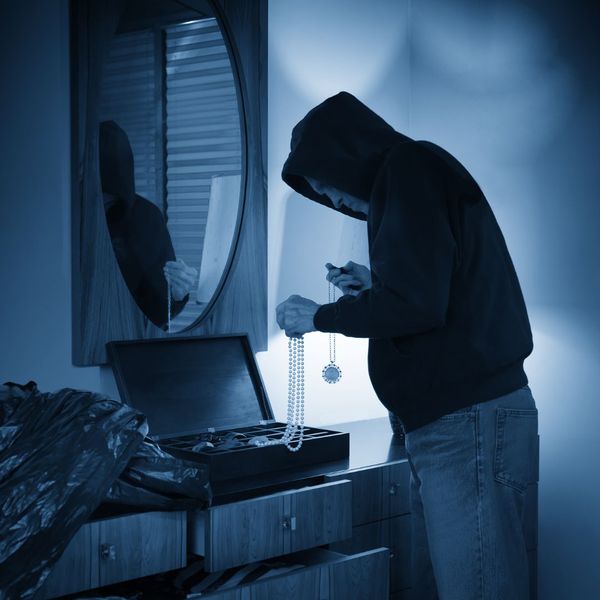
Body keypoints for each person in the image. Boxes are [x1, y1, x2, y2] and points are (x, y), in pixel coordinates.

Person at [276, 91, 538, 600]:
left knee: (478, 588)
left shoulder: (407, 168)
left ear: (344, 156)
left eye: (329, 185)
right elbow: (437, 290)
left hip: (466, 423)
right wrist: (374, 286)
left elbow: (418, 306)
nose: (335, 200)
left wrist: (319, 315)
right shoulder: (421, 169)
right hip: (468, 420)